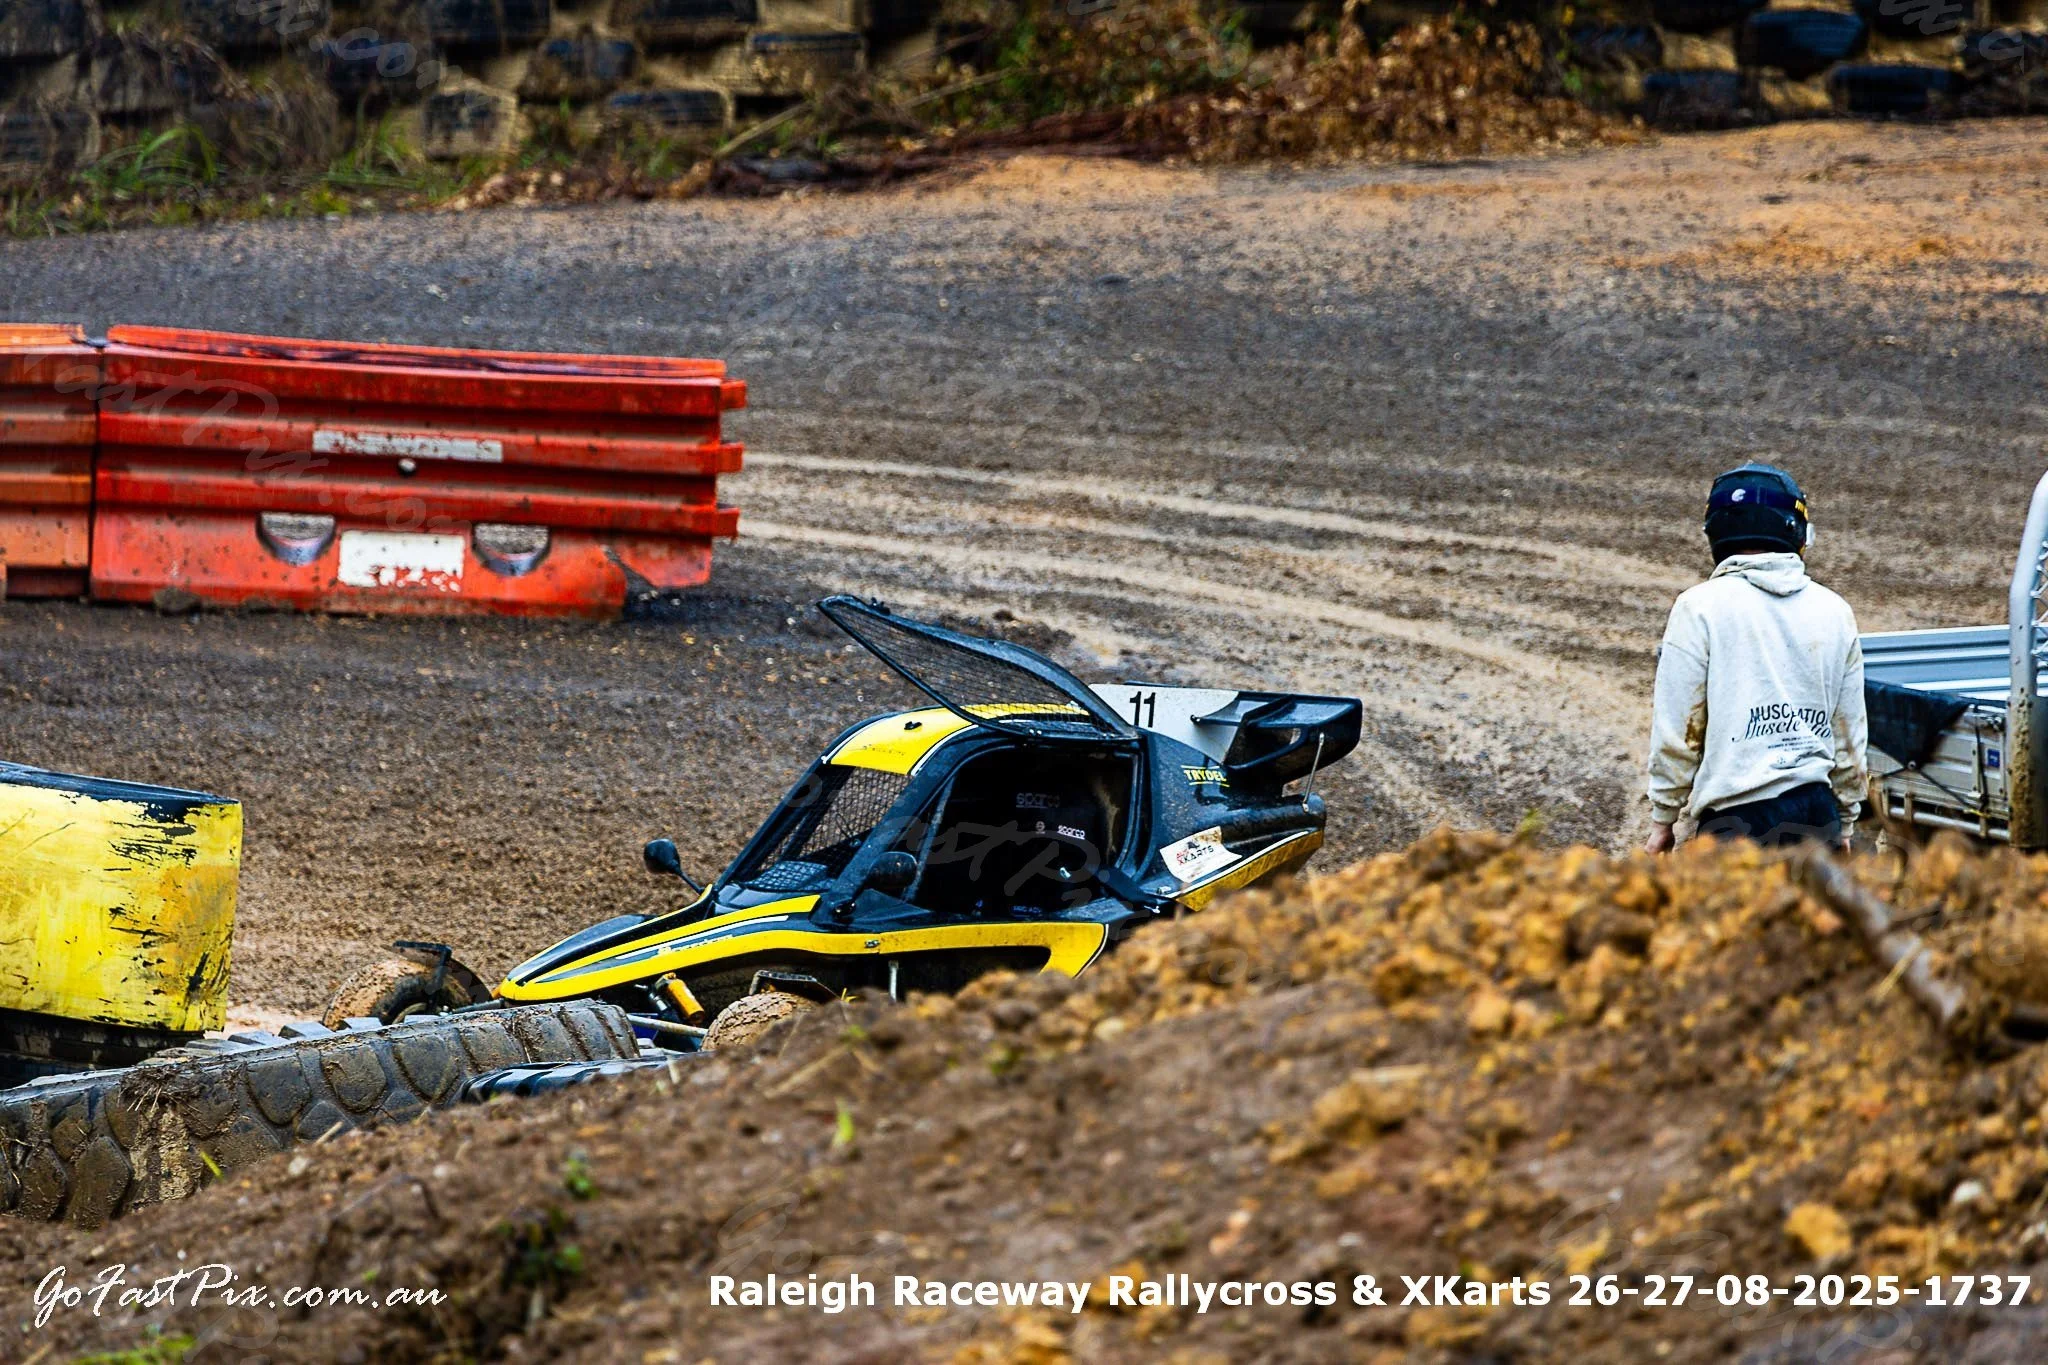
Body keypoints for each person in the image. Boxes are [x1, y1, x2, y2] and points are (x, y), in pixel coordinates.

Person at [1645, 463, 1868, 851]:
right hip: (1818, 816)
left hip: (1736, 823)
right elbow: (1849, 734)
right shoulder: (1835, 611)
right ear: (1795, 530)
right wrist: (1845, 820)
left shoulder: (1698, 608)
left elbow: (1680, 731)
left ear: (1717, 531)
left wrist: (1663, 819)